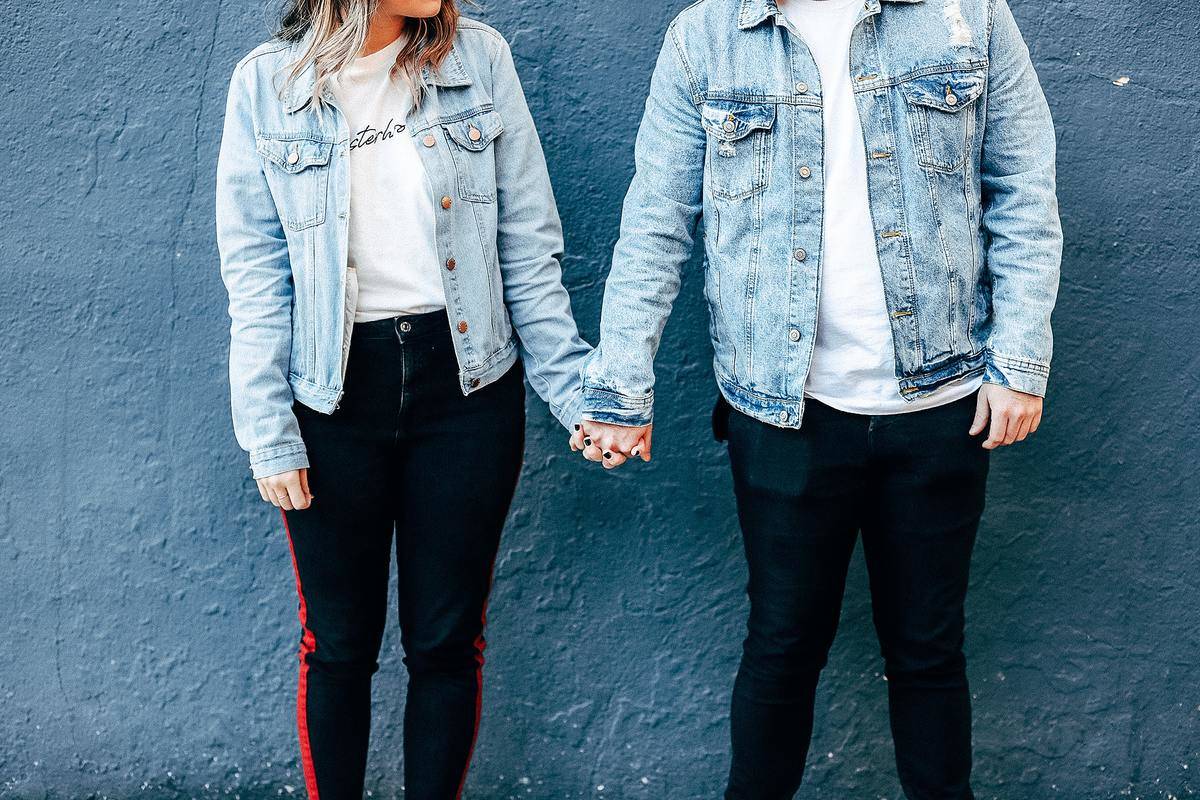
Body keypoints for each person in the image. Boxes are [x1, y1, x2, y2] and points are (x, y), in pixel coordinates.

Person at [571, 0, 1061, 797]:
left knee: (929, 653)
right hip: (782, 411)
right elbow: (657, 218)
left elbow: (1024, 189)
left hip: (944, 403)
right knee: (781, 646)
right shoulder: (706, 36)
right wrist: (621, 386)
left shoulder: (968, 14)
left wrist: (1019, 362)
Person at [215, 1, 590, 797]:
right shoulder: (264, 87)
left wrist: (575, 394)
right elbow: (256, 280)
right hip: (333, 398)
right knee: (339, 644)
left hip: (468, 389)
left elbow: (528, 243)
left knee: (448, 642)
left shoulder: (479, 60)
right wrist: (268, 433)